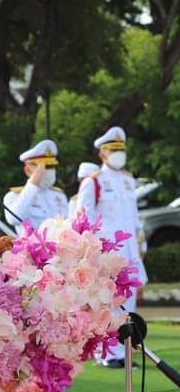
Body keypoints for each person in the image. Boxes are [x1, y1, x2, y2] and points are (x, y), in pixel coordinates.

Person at [77, 126, 148, 369]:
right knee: (107, 303)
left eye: (121, 150)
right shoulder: (94, 182)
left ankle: (124, 351)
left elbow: (134, 217)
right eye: (113, 150)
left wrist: (141, 243)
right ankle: (106, 353)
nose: (119, 154)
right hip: (107, 252)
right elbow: (84, 219)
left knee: (129, 303)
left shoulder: (128, 180)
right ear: (102, 154)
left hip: (129, 251)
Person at [3, 139, 68, 235]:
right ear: (27, 170)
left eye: (51, 167)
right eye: (44, 167)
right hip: (32, 244)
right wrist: (33, 183)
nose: (49, 171)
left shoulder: (59, 195)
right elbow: (14, 219)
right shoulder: (14, 196)